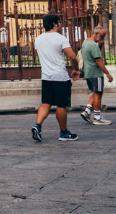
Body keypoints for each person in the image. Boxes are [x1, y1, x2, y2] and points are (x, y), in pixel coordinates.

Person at [31, 14, 80, 142]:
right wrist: (76, 69)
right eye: (59, 22)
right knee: (61, 105)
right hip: (60, 76)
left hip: (46, 76)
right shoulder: (60, 38)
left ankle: (38, 125)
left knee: (46, 103)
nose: (60, 25)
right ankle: (64, 133)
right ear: (54, 23)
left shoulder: (38, 39)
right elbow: (73, 57)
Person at [79, 25, 113, 126]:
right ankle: (97, 117)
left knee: (96, 92)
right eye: (102, 36)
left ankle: (87, 111)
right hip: (95, 73)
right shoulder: (93, 45)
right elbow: (98, 60)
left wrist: (100, 45)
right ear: (97, 34)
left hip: (88, 72)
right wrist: (107, 73)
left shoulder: (86, 42)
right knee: (98, 94)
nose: (103, 38)